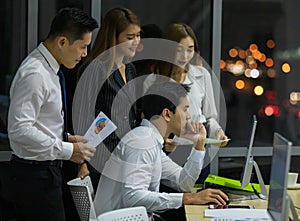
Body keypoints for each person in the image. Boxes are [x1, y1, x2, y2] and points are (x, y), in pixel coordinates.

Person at [1, 8, 98, 221]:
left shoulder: (51, 68)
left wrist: (66, 138)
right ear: (62, 42)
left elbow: (41, 122)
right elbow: (19, 130)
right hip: (33, 176)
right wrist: (67, 149)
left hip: (45, 172)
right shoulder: (35, 73)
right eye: (82, 47)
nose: (84, 54)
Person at [93, 81, 229, 220]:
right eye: (185, 109)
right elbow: (133, 197)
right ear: (167, 114)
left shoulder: (150, 140)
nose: (188, 116)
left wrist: (199, 145)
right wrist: (187, 199)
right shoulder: (142, 141)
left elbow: (184, 183)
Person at [73, 7, 141, 190]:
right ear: (114, 37)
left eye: (138, 35)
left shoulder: (130, 69)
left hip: (127, 161)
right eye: (130, 37)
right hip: (99, 161)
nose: (136, 41)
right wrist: (83, 163)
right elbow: (82, 118)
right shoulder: (95, 68)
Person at [144, 23, 228, 146]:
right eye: (179, 50)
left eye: (190, 49)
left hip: (197, 147)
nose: (184, 56)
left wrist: (218, 132)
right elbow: (150, 121)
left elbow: (210, 117)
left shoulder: (202, 75)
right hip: (166, 148)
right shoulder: (152, 81)